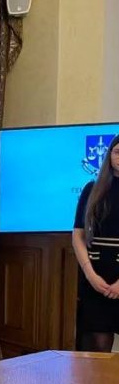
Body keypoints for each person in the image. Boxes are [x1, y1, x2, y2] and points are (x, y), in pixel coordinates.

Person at [73, 133, 119, 352]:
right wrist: (90, 275)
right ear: (109, 155)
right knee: (97, 349)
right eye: (117, 152)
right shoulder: (91, 189)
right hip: (95, 276)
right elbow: (78, 235)